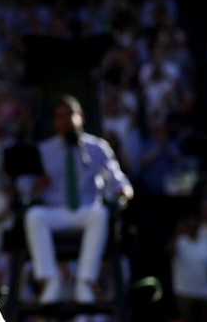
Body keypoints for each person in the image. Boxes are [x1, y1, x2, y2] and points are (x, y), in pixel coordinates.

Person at [20, 94, 134, 305]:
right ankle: (50, 279)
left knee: (100, 214)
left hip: (86, 211)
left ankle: (85, 281)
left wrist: (124, 192)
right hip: (55, 212)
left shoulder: (97, 147)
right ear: (54, 121)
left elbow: (119, 182)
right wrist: (37, 185)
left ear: (80, 116)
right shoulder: (44, 150)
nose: (65, 121)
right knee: (34, 216)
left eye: (69, 115)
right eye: (59, 117)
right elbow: (24, 187)